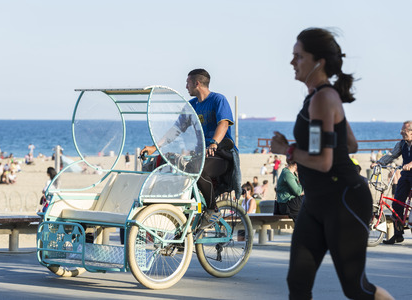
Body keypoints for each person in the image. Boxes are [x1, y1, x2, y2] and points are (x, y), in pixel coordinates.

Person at [270, 28, 392, 299]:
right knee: (298, 284)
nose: (292, 62)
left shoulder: (324, 98)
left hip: (343, 199)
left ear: (318, 62)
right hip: (316, 202)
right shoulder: (319, 97)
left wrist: (287, 148)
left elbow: (324, 162)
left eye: (298, 56)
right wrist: (301, 150)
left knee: (356, 288)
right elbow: (350, 144)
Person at [140, 68, 240, 228]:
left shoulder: (218, 100)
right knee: (174, 173)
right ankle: (182, 230)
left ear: (197, 83)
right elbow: (176, 130)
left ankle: (213, 210)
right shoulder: (191, 105)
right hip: (202, 154)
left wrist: (214, 142)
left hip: (222, 154)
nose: (186, 86)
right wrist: (155, 147)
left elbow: (224, 123)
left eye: (188, 83)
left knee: (197, 170)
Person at [372, 120, 412, 244]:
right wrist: (379, 162)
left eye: (404, 131)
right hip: (406, 176)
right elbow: (391, 155)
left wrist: (411, 164)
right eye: (401, 131)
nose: (401, 133)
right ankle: (398, 234)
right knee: (397, 204)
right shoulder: (402, 144)